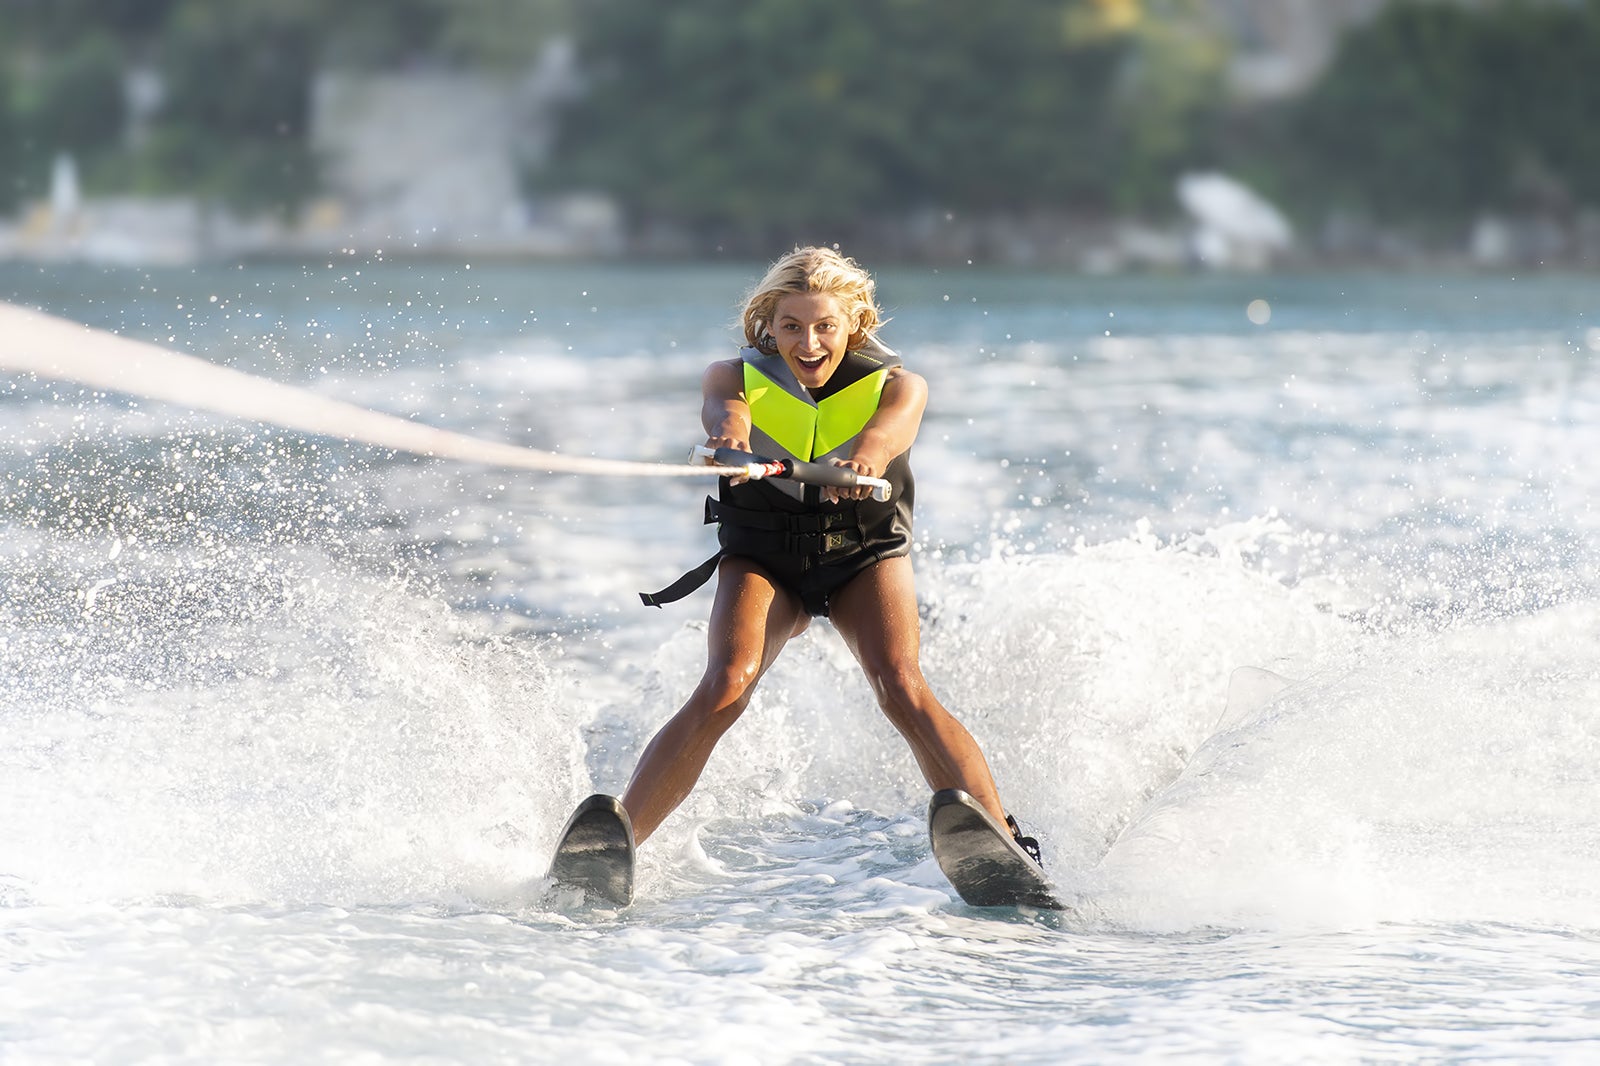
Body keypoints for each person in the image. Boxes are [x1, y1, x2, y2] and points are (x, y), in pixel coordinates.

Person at [626, 246, 1039, 861]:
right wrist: (730, 442)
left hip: (862, 556)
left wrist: (862, 461)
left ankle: (1006, 845)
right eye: (791, 326)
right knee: (725, 684)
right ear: (769, 325)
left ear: (854, 325)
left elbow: (887, 434)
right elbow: (727, 413)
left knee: (900, 686)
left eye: (825, 326)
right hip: (765, 560)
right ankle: (614, 844)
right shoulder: (729, 376)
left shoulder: (901, 386)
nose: (809, 342)